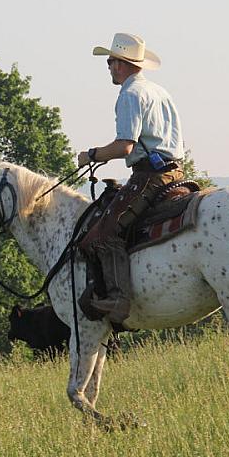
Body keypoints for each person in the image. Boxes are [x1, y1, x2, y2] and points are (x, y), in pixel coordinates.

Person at [76, 32, 186, 328]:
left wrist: (91, 155)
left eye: (111, 61)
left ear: (122, 64)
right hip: (176, 171)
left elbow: (125, 145)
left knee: (103, 232)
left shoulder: (129, 94)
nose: (109, 66)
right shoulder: (160, 92)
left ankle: (117, 298)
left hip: (150, 175)